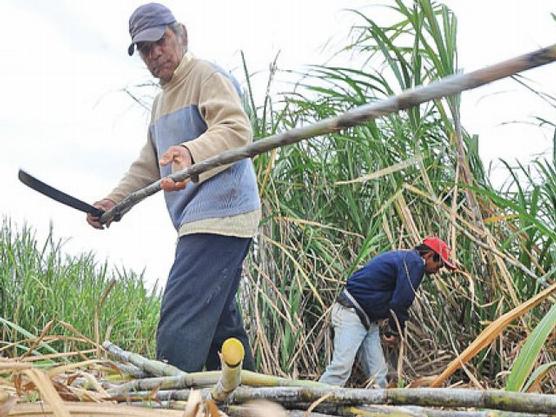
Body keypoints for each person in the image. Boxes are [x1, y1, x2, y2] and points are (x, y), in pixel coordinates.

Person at [86, 3, 261, 372]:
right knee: (221, 329)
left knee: (180, 318)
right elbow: (149, 165)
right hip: (197, 220)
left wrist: (190, 153)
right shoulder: (161, 103)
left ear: (180, 34)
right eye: (145, 50)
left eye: (159, 42)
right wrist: (113, 202)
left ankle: (165, 397)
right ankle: (257, 402)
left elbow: (235, 130)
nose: (154, 54)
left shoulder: (205, 76)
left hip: (222, 213)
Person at [319, 236, 456, 387]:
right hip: (351, 313)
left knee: (378, 376)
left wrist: (394, 328)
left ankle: (380, 409)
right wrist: (396, 331)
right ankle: (311, 402)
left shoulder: (407, 258)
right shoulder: (416, 263)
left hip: (366, 318)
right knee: (341, 368)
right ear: (430, 255)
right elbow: (400, 301)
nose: (438, 271)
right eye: (439, 265)